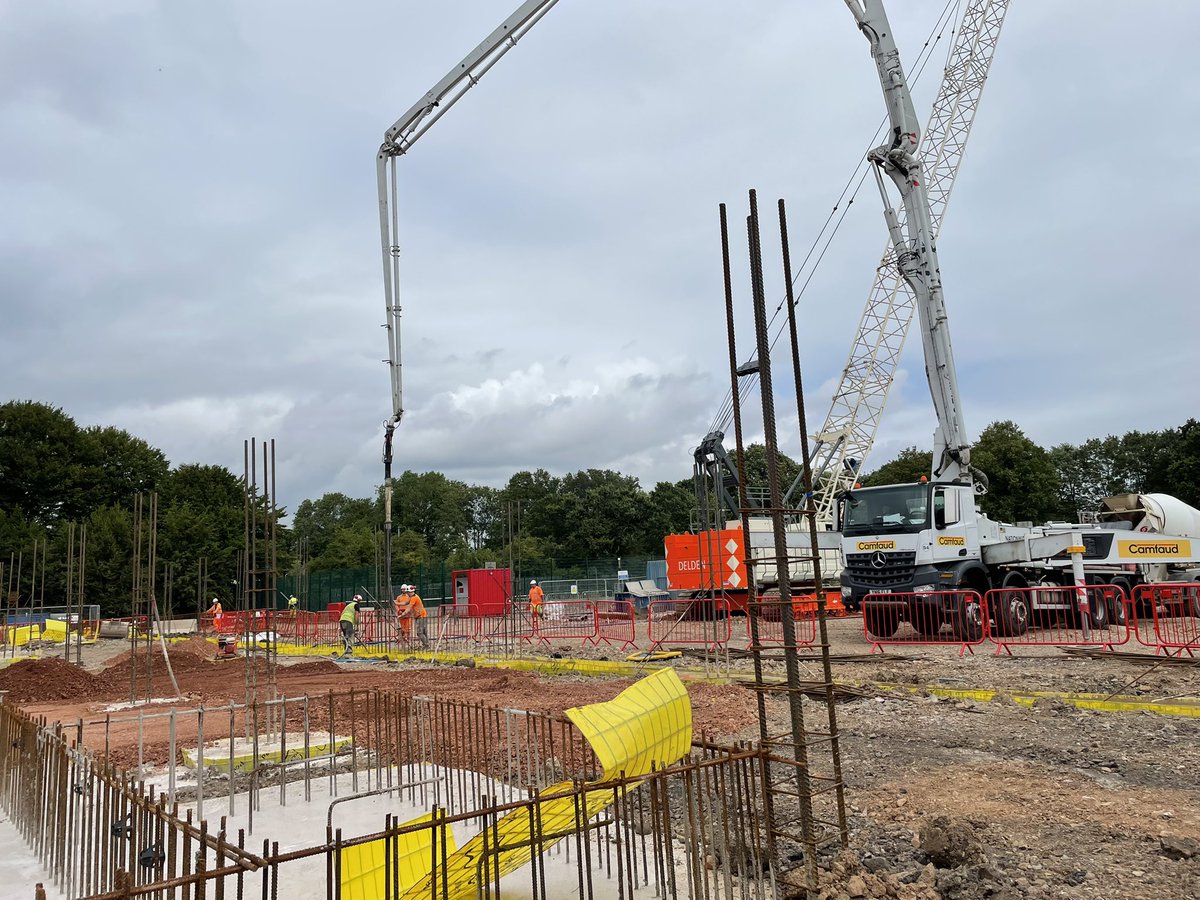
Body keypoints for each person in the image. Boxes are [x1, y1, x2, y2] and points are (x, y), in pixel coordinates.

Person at [407, 584, 429, 648]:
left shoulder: (414, 598)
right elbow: (406, 603)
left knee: (419, 633)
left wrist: (403, 614)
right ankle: (427, 644)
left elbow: (408, 607)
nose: (407, 594)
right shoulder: (414, 596)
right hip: (422, 615)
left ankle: (426, 645)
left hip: (420, 616)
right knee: (424, 632)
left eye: (408, 592)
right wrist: (396, 603)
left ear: (410, 592)